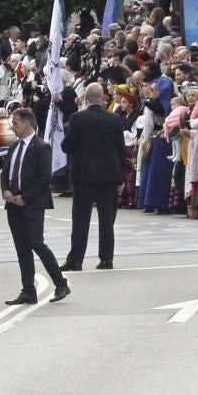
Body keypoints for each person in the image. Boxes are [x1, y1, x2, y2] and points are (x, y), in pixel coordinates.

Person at [0, 106, 71, 306]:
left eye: (15, 123)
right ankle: (28, 290)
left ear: (27, 123)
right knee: (22, 248)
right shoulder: (15, 147)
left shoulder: (41, 147)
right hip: (13, 204)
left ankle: (60, 282)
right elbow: (5, 173)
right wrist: (5, 190)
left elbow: (44, 178)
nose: (12, 127)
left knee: (36, 243)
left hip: (32, 204)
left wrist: (26, 197)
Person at [62, 82, 125, 270]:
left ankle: (76, 259)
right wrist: (120, 176)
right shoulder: (114, 119)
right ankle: (106, 258)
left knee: (81, 219)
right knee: (107, 220)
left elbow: (67, 146)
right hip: (108, 175)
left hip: (84, 175)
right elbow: (120, 148)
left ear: (86, 98)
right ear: (103, 98)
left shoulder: (78, 118)